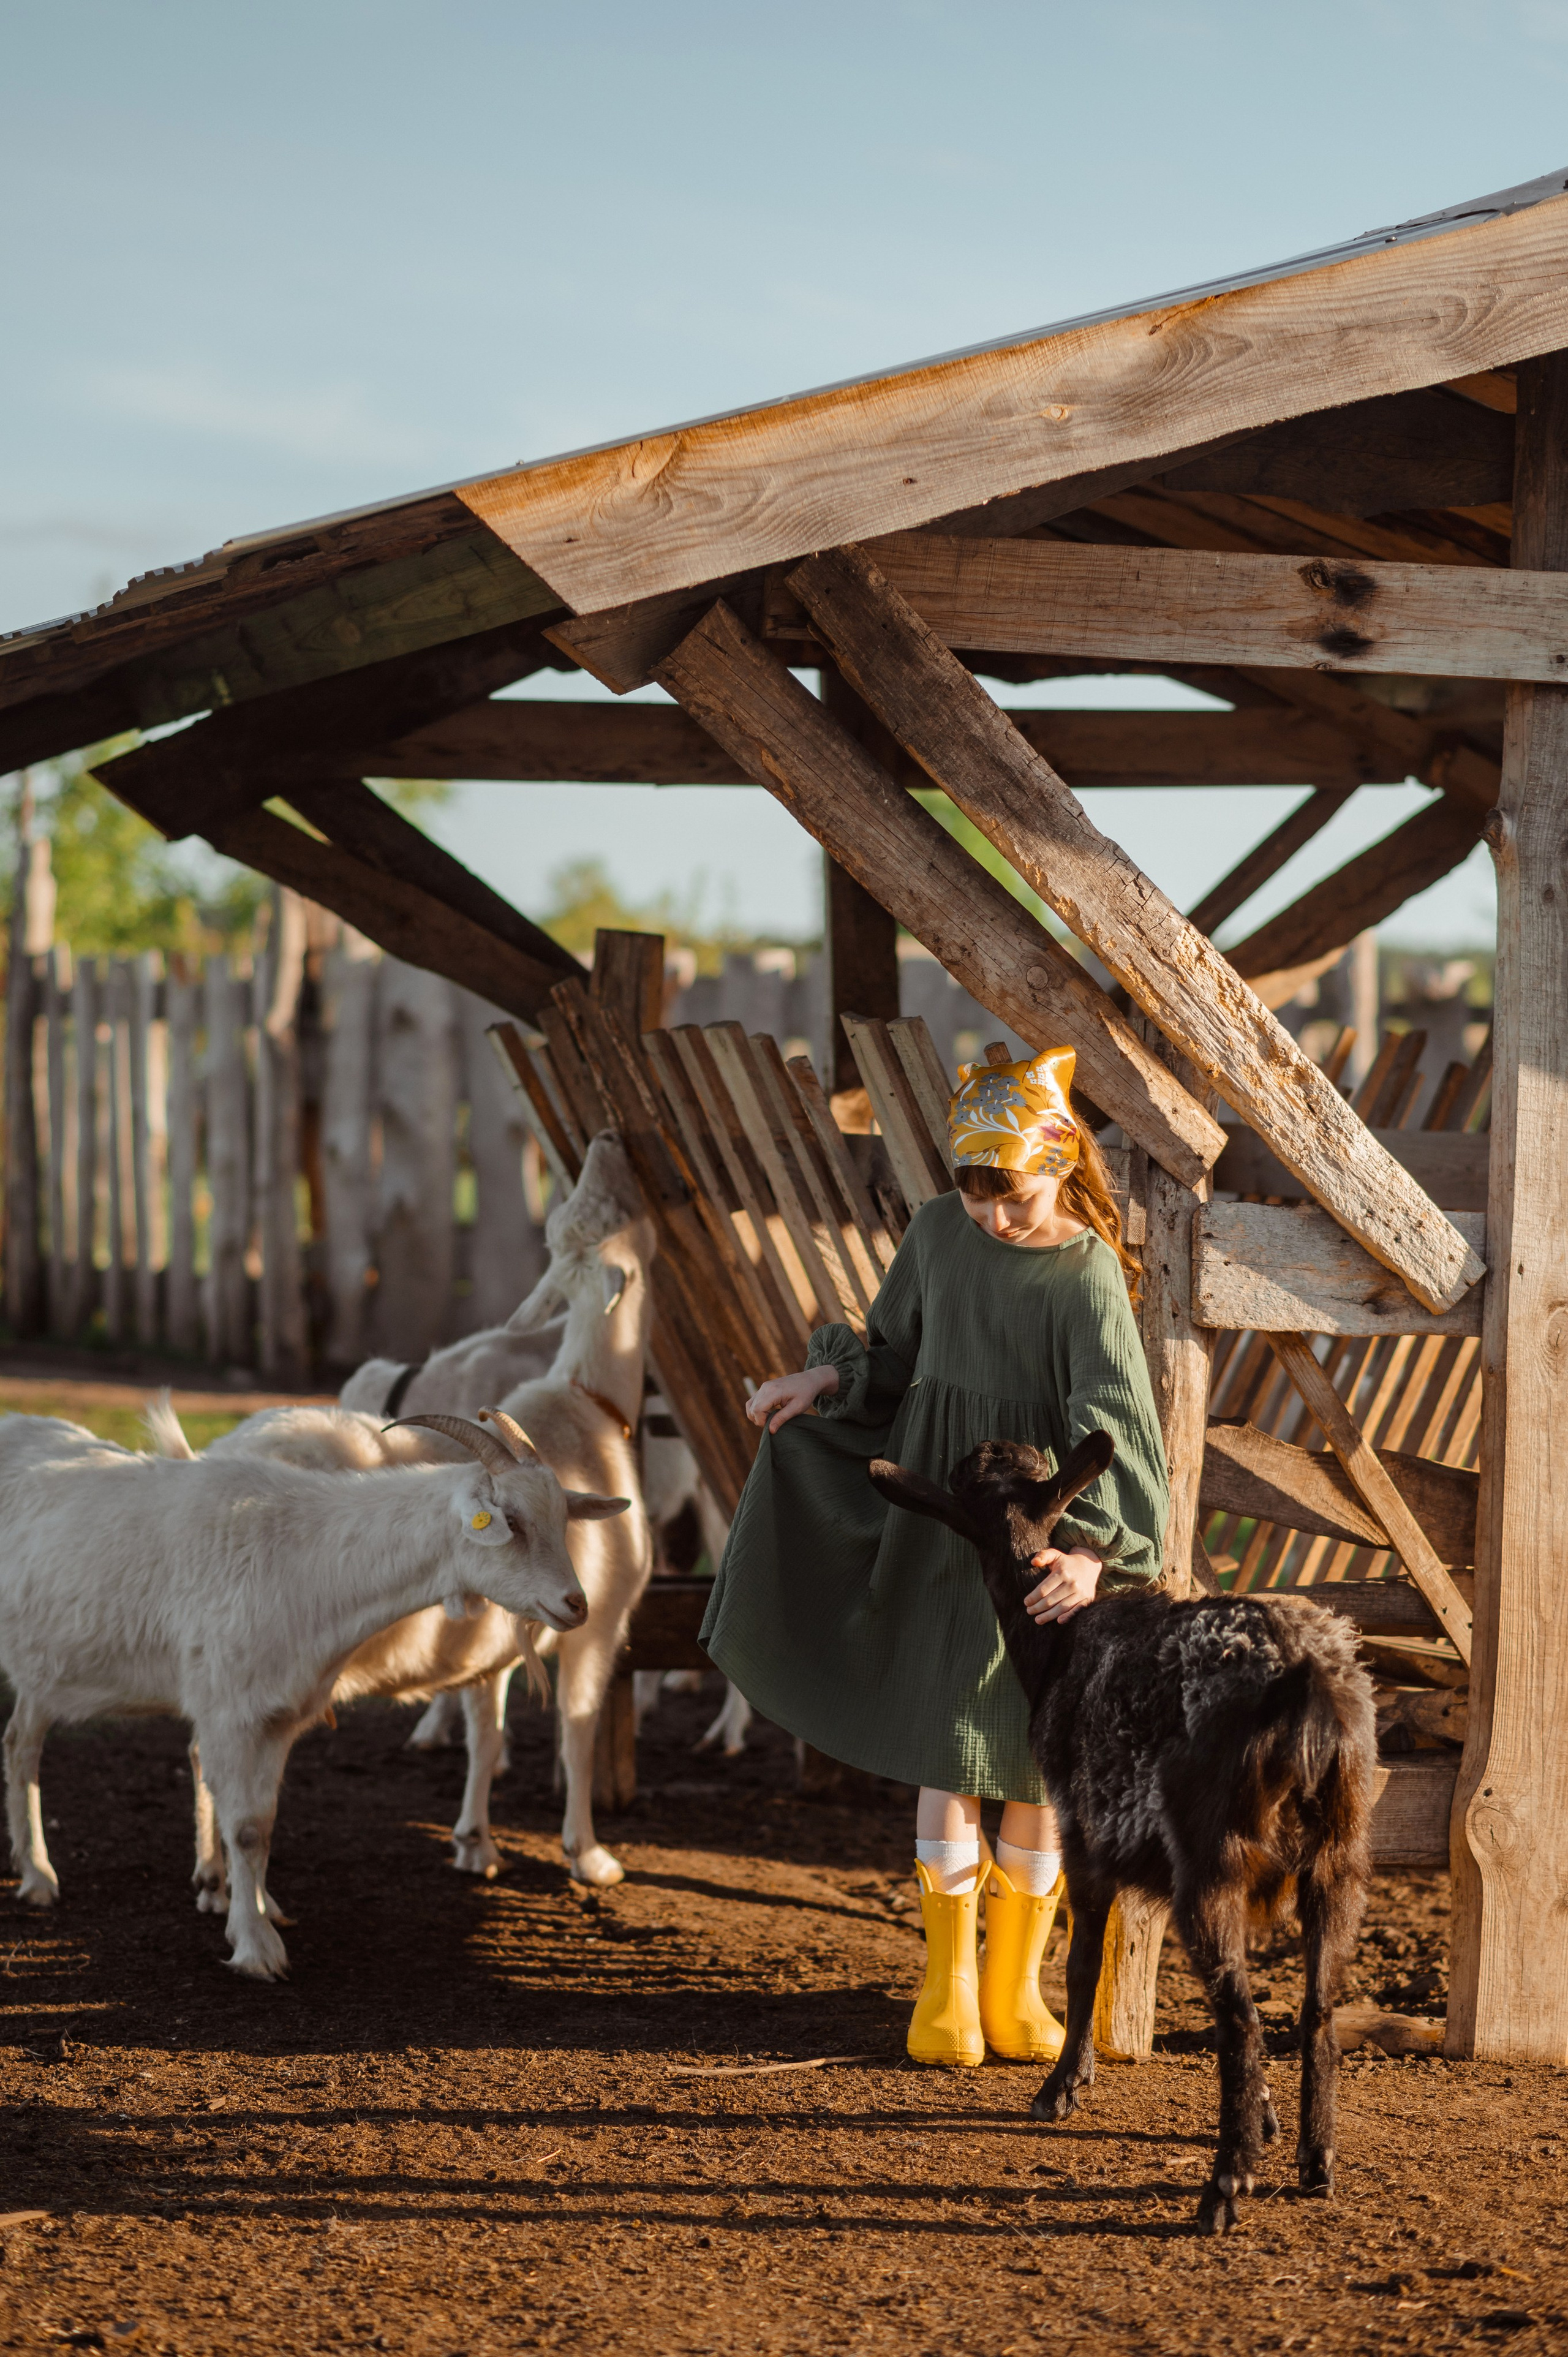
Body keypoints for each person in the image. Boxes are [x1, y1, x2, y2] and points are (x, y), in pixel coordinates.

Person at [699, 1044, 1169, 2068]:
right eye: (975, 1193)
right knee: (951, 1742)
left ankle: (1018, 1994)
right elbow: (892, 1349)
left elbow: (1115, 1423)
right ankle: (946, 1994)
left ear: (1061, 1165)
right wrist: (820, 1385)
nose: (996, 1217)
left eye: (1016, 1194)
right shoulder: (936, 1234)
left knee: (1034, 1756)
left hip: (1030, 1544)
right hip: (936, 1517)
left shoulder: (1085, 1273)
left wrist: (1092, 1553)